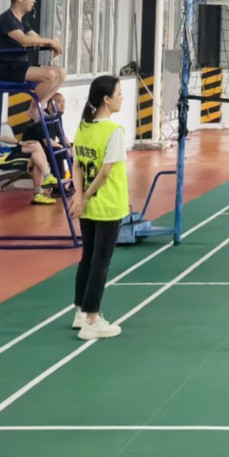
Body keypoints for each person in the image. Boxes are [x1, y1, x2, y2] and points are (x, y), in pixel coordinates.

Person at [70, 75, 129, 341]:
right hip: (108, 205)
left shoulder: (83, 127)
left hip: (88, 207)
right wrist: (84, 196)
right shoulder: (114, 131)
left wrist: (80, 196)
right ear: (106, 99)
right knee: (100, 261)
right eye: (119, 93)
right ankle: (93, 319)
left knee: (88, 257)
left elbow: (76, 166)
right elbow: (105, 173)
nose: (122, 98)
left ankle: (80, 312)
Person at [0, 0, 65, 105]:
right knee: (50, 75)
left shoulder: (23, 21)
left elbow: (36, 38)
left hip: (21, 66)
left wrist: (52, 45)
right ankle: (35, 110)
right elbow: (24, 40)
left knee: (61, 73)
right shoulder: (7, 19)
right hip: (8, 69)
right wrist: (50, 42)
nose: (34, 1)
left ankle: (41, 105)